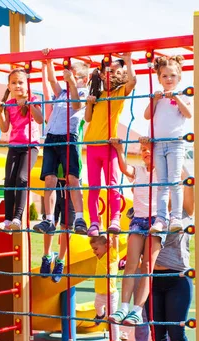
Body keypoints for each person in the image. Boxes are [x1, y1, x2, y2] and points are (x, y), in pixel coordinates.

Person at [107, 137, 162, 327]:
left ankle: (137, 310)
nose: (145, 152)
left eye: (149, 149)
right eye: (143, 150)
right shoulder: (138, 171)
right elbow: (124, 169)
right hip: (138, 220)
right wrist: (119, 148)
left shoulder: (162, 171)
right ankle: (123, 307)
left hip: (157, 220)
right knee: (130, 264)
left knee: (147, 266)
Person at [34, 50, 89, 236]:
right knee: (50, 178)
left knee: (72, 178)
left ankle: (80, 217)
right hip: (51, 137)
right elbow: (51, 81)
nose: (67, 80)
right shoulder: (61, 93)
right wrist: (49, 62)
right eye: (67, 77)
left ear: (83, 79)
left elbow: (76, 105)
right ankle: (48, 219)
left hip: (68, 137)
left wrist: (73, 82)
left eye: (73, 76)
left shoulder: (82, 92)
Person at [151, 165, 195, 341]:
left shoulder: (184, 213)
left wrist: (174, 159)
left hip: (178, 278)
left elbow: (189, 182)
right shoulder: (153, 213)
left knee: (176, 332)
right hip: (154, 279)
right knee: (159, 333)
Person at [84, 54, 137, 236]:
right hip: (92, 146)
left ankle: (115, 218)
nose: (112, 74)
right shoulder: (97, 94)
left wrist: (128, 61)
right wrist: (89, 104)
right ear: (102, 73)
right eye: (109, 70)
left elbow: (133, 81)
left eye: (116, 72)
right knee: (93, 187)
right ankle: (94, 222)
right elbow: (88, 118)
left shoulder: (119, 93)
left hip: (109, 146)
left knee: (112, 184)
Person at [144, 56, 192, 234]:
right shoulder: (158, 97)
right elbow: (147, 115)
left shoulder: (183, 95)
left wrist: (177, 98)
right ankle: (161, 218)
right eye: (164, 76)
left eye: (172, 75)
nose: (168, 79)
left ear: (179, 77)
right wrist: (155, 99)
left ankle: (176, 217)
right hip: (158, 145)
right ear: (159, 79)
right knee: (161, 183)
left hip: (175, 144)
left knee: (174, 182)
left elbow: (188, 114)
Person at [0, 68, 43, 231]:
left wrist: (29, 105)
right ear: (8, 86)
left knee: (22, 178)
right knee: (9, 180)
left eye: (20, 82)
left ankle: (17, 218)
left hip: (30, 146)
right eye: (13, 83)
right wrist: (0, 112)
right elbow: (5, 128)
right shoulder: (9, 105)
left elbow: (40, 119)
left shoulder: (33, 99)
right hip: (14, 146)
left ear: (27, 85)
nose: (17, 85)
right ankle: (7, 220)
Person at [90, 235, 122, 341]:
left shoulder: (111, 257)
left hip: (111, 294)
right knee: (97, 306)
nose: (94, 251)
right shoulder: (100, 256)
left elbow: (115, 245)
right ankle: (100, 314)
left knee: (112, 319)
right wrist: (100, 223)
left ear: (106, 246)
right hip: (100, 292)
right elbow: (100, 236)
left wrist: (115, 236)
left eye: (96, 249)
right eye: (93, 249)